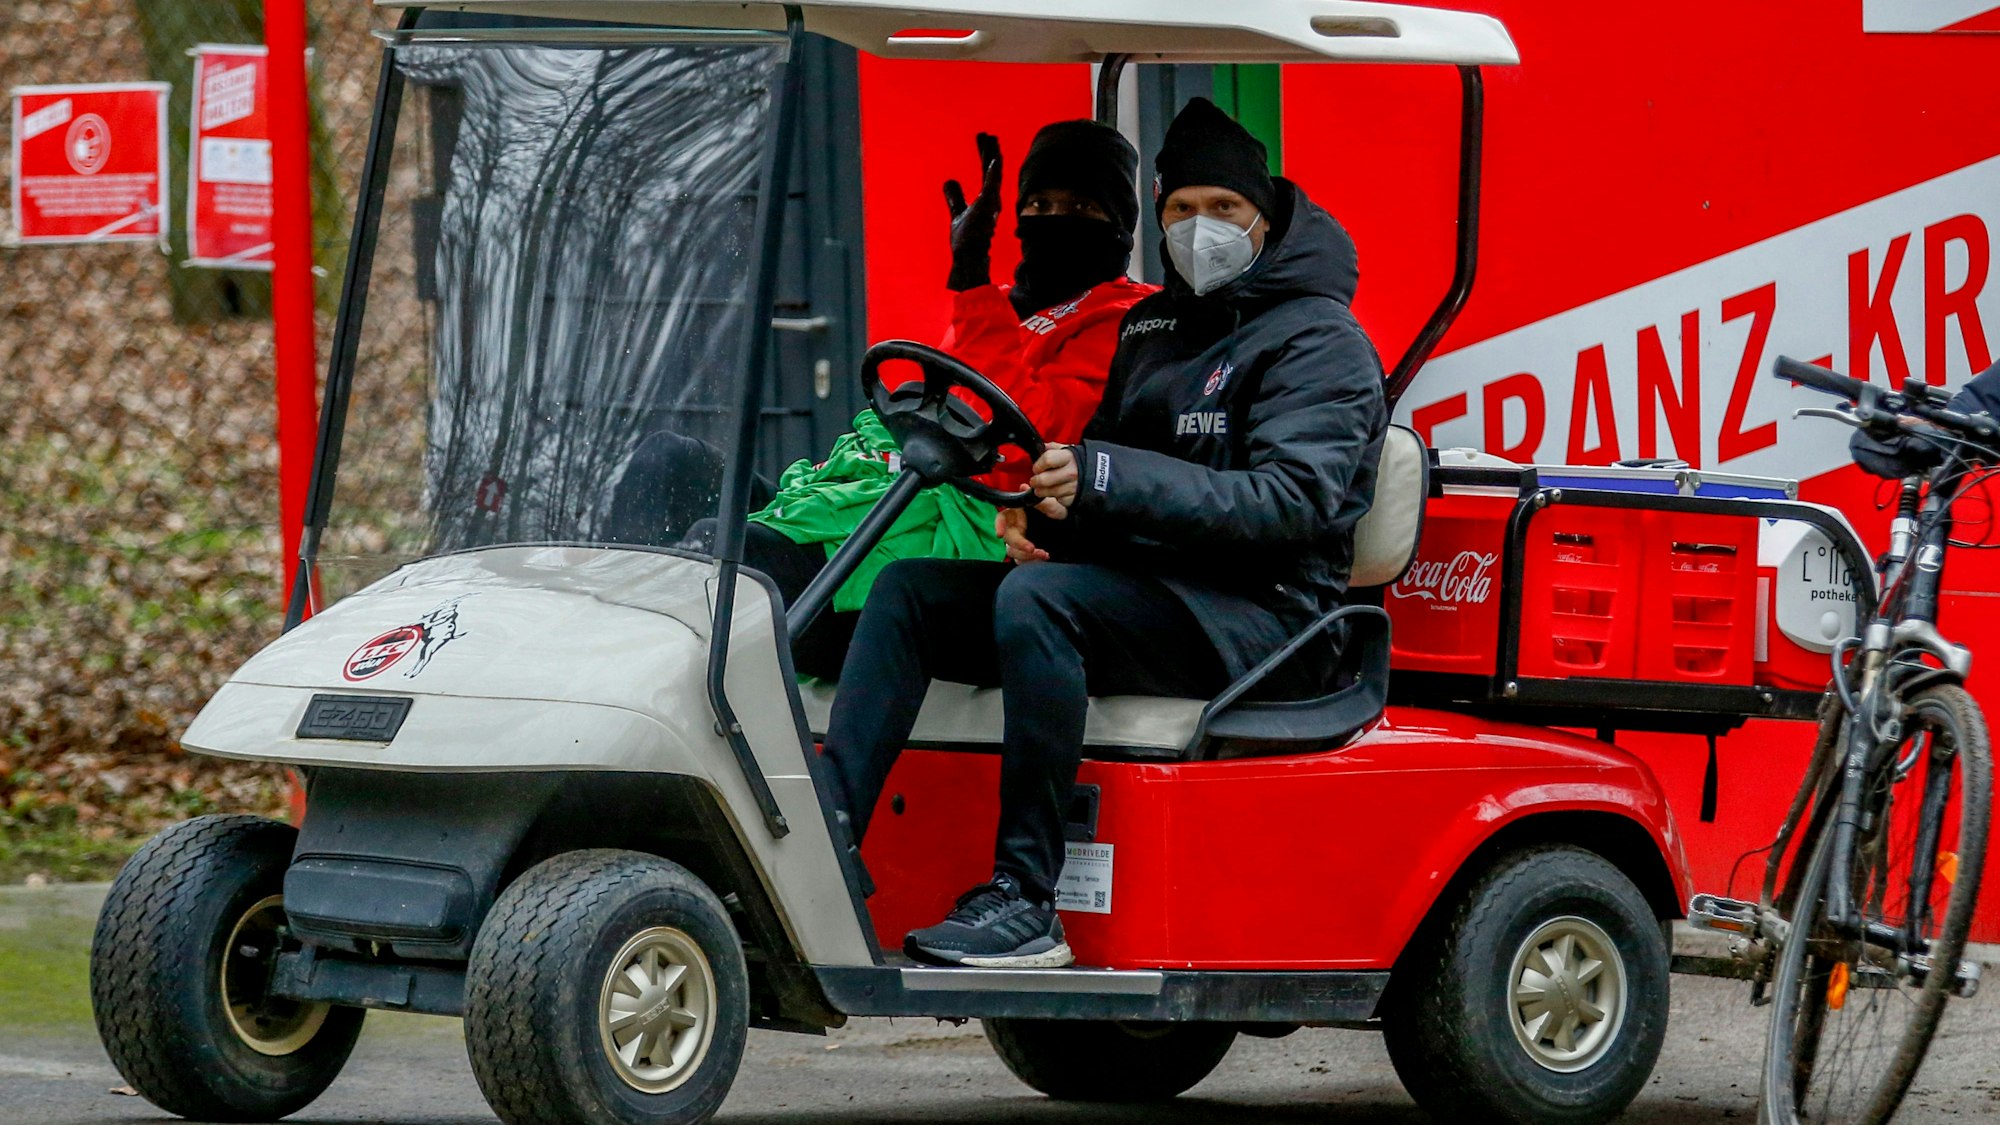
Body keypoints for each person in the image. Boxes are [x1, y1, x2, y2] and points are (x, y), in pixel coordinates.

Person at [821, 98, 1388, 967]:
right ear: (1156, 221)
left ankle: (1026, 897)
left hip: (1267, 619)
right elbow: (1114, 479)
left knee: (1043, 603)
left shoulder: (1321, 339)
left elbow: (1290, 503)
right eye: (1181, 210)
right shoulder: (1155, 328)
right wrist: (1055, 515)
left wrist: (1102, 480)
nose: (1201, 228)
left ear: (1264, 218)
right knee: (913, 593)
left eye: (1224, 209)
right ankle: (822, 846)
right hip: (1159, 597)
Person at [680, 121, 1152, 679]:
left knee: (722, 558)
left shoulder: (1126, 320)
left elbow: (1033, 438)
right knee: (672, 465)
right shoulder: (1001, 305)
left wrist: (972, 281)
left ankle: (691, 712)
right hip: (888, 495)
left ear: (1118, 223)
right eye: (1039, 205)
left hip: (970, 538)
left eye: (1079, 208)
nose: (1052, 223)